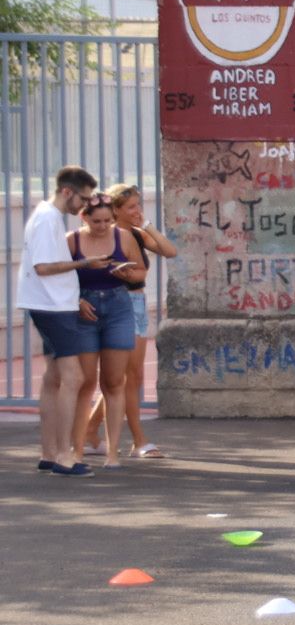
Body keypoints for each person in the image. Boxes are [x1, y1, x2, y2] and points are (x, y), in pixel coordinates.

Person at [18, 165, 100, 476]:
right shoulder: (47, 219)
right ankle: (65, 455)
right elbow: (43, 267)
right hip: (52, 306)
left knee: (53, 378)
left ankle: (49, 453)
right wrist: (85, 262)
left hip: (52, 304)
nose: (84, 205)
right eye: (83, 198)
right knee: (73, 378)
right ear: (67, 191)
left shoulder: (45, 217)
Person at [84, 183, 176, 460]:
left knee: (126, 377)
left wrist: (145, 223)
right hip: (119, 304)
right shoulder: (108, 236)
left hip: (137, 303)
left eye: (139, 205)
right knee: (128, 377)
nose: (138, 210)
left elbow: (169, 250)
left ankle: (90, 428)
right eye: (132, 206)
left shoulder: (135, 234)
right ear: (117, 210)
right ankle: (139, 440)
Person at [67, 192, 146, 468]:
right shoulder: (72, 240)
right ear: (84, 217)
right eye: (96, 221)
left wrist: (127, 274)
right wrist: (76, 300)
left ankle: (113, 453)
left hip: (117, 307)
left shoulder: (122, 237)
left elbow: (140, 273)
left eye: (107, 221)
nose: (102, 226)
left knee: (113, 382)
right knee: (85, 382)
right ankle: (77, 449)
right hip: (85, 309)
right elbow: (59, 278)